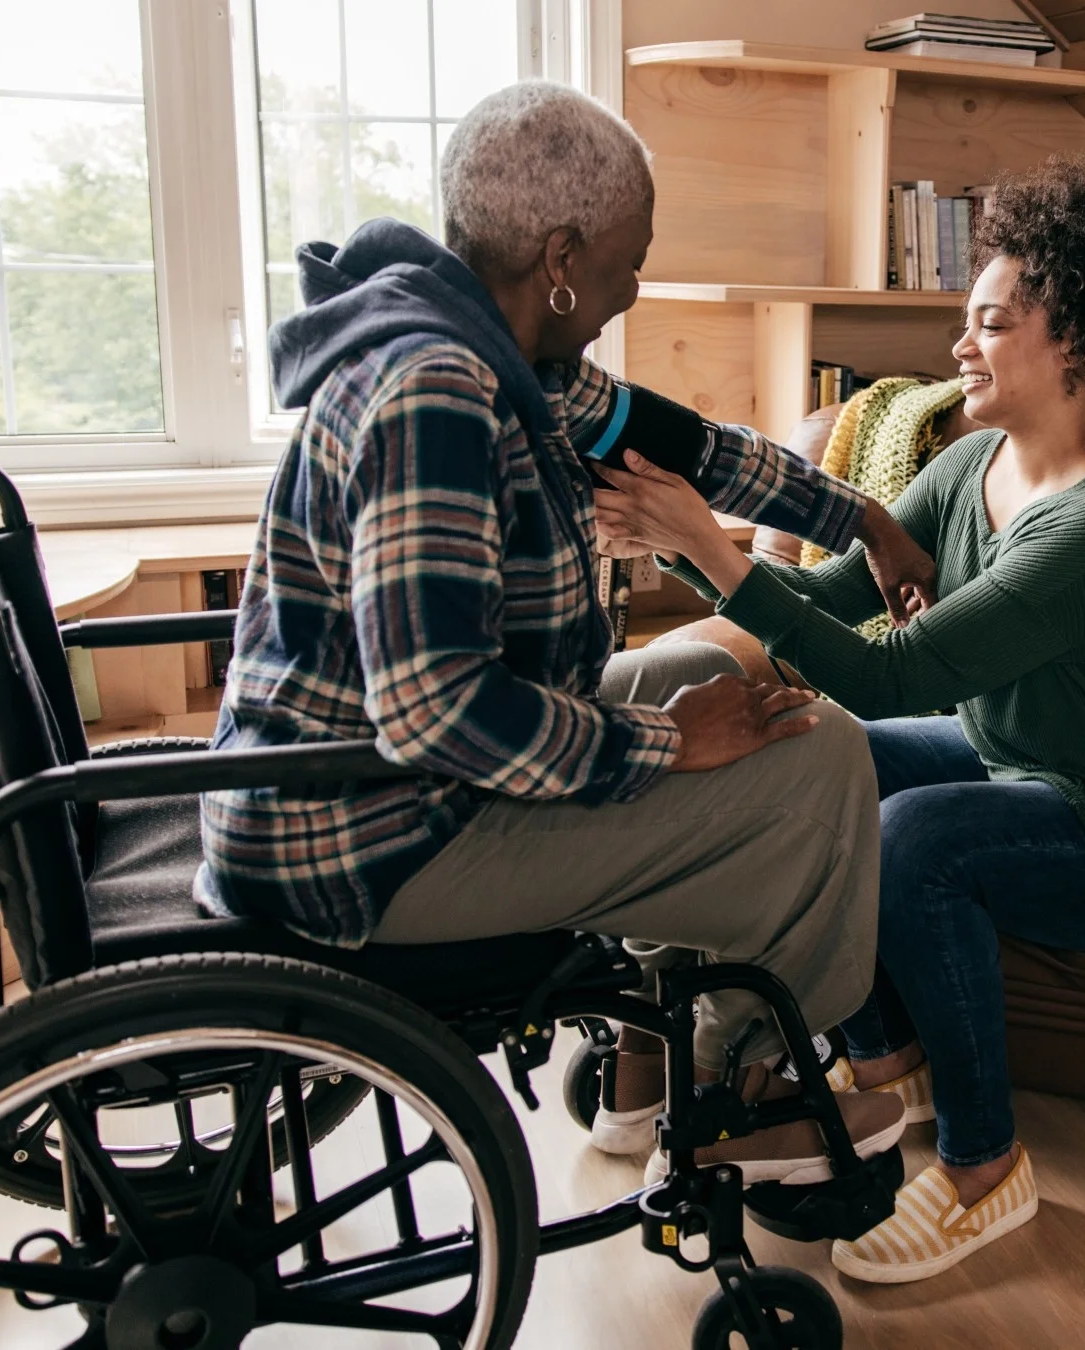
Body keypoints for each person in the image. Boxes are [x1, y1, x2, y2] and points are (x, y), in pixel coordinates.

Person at [199, 81, 937, 1183]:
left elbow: (681, 447)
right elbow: (437, 709)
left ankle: (649, 1059)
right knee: (816, 752)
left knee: (697, 664)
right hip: (373, 846)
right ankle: (748, 1089)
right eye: (629, 258)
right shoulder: (434, 391)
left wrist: (861, 516)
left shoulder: (494, 350)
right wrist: (671, 745)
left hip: (373, 793)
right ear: (561, 254)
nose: (631, 284)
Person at [593, 155, 1085, 1281]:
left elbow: (893, 676)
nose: (961, 346)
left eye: (993, 322)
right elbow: (824, 608)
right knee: (816, 753)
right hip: (1025, 763)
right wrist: (690, 545)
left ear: (1083, 343)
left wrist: (706, 547)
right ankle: (884, 1057)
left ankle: (983, 1170)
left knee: (915, 841)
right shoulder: (969, 466)